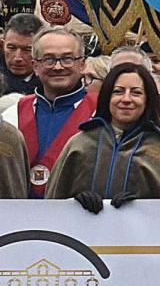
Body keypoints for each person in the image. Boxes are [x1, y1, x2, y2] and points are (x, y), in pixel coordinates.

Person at [46, 62, 160, 209]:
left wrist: (143, 208)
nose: (126, 99)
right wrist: (74, 204)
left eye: (136, 92)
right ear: (107, 97)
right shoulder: (79, 145)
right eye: (118, 91)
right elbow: (52, 208)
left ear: (148, 99)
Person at [4, 25, 98, 198]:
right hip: (18, 217)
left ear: (82, 64)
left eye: (67, 58)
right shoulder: (12, 114)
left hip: (79, 217)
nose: (58, 67)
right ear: (35, 66)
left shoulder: (102, 112)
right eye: (48, 59)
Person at [0, 12, 42, 96]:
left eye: (27, 50)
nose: (17, 58)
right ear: (2, 45)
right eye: (11, 48)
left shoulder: (53, 79)